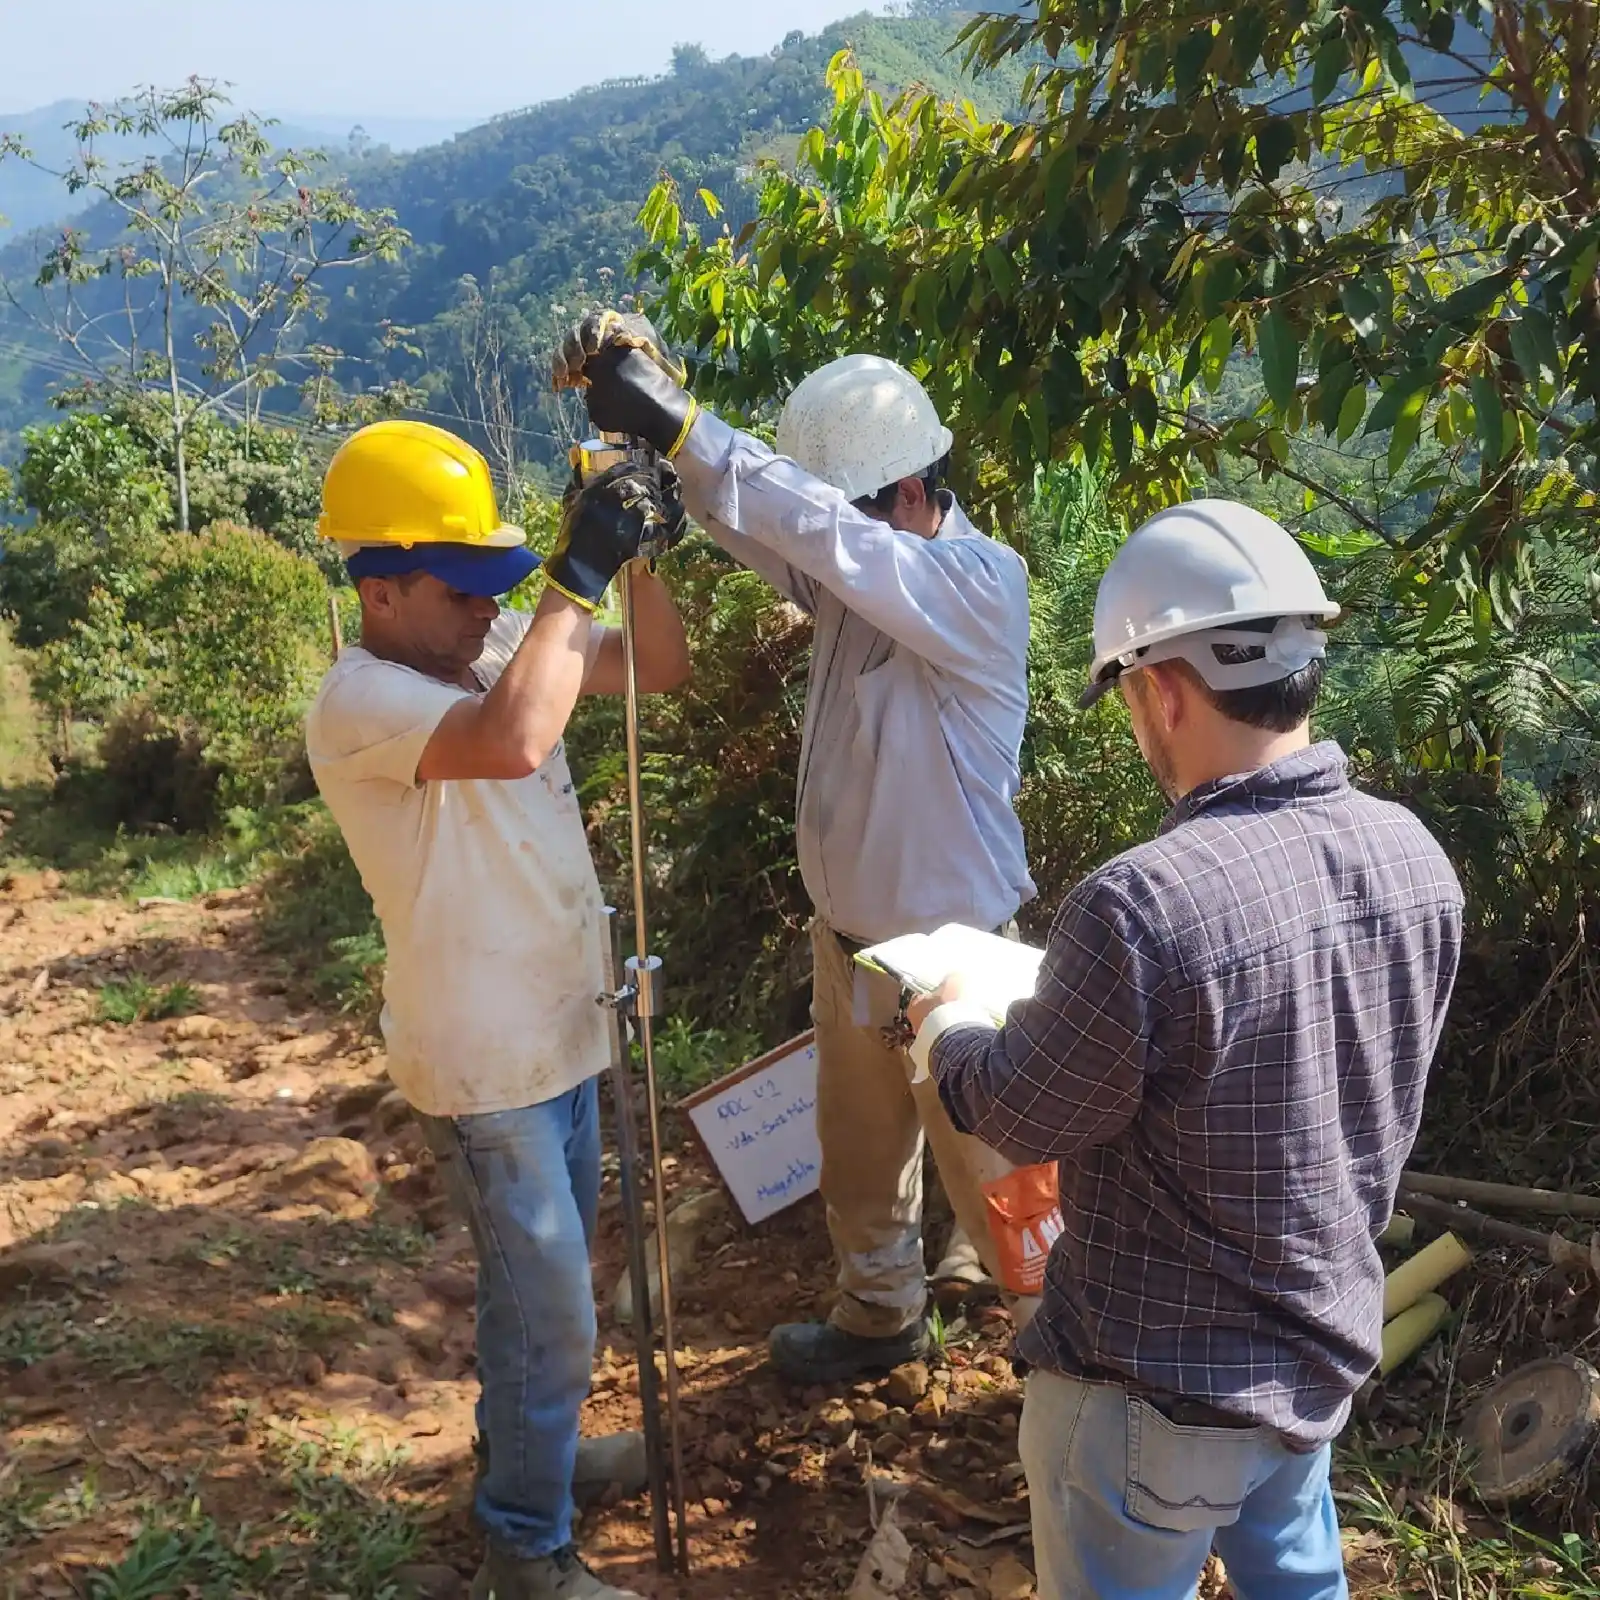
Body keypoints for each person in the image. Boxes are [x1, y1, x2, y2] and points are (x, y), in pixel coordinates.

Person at [901, 499, 1465, 1600]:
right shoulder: (1416, 857)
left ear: (1160, 687)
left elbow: (1020, 1112)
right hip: (1311, 1364)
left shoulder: (1141, 903)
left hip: (1144, 1399)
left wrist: (949, 1022)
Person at [554, 313, 1037, 1384]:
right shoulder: (858, 574)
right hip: (851, 941)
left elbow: (821, 533)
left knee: (1006, 1186)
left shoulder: (973, 585)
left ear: (911, 494)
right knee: (860, 1158)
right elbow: (785, 529)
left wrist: (689, 423)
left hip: (954, 956)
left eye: (852, 508)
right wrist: (667, 448)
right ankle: (879, 1318)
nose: (830, 532)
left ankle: (1075, 1376)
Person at [305, 419, 691, 1600]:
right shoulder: (360, 700)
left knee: (538, 1302)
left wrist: (640, 541)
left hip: (562, 1032)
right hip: (486, 1069)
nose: (487, 608)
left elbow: (660, 666)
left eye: (498, 587)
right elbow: (519, 741)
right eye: (462, 588)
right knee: (555, 1318)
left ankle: (539, 1458)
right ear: (381, 590)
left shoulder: (504, 646)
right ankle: (526, 1549)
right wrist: (574, 575)